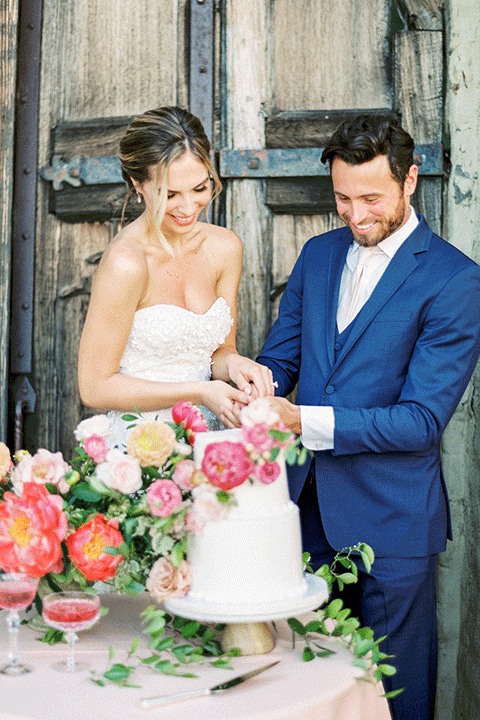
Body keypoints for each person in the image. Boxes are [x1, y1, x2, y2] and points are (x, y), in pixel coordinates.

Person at [223, 114, 480, 720]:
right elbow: (283, 356)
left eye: (371, 198)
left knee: (396, 697)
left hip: (392, 525)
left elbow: (419, 421)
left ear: (410, 181)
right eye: (342, 197)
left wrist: (299, 420)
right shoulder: (317, 254)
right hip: (300, 512)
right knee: (301, 684)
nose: (355, 213)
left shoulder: (456, 280)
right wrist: (258, 383)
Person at [78, 106, 272, 445]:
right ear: (138, 184)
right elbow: (95, 388)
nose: (187, 208)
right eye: (170, 194)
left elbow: (218, 353)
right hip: (141, 446)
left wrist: (237, 364)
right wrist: (199, 392)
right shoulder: (127, 262)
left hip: (210, 443)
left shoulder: (225, 247)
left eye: (200, 188)